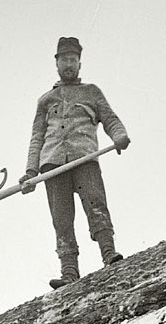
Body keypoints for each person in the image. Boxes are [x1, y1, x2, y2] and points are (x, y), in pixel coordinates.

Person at [20, 35, 131, 290]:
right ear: (56, 63)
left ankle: (109, 254)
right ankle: (69, 272)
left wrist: (120, 136)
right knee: (62, 219)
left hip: (85, 159)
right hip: (52, 165)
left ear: (79, 64)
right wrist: (30, 172)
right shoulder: (45, 100)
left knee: (96, 204)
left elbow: (110, 119)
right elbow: (37, 137)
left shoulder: (92, 92)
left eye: (73, 60)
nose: (69, 64)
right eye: (64, 60)